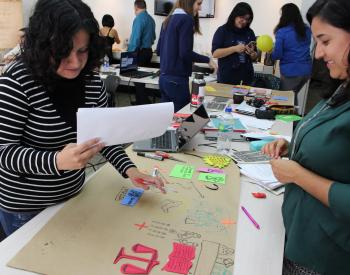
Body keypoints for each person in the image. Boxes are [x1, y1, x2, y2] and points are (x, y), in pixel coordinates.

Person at [0, 0, 165, 238]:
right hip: (26, 209)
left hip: (73, 197)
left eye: (82, 50)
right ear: (43, 46)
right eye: (62, 52)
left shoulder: (91, 82)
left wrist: (129, 169)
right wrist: (56, 161)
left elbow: (104, 137)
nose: (75, 63)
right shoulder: (16, 83)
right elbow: (4, 152)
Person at [262, 0, 350, 274]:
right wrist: (293, 147)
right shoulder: (342, 85)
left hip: (323, 257)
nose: (318, 54)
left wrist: (297, 175)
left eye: (325, 41)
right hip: (298, 237)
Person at [157, 0, 217, 112]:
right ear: (189, 3)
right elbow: (185, 53)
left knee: (168, 120)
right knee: (183, 122)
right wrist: (208, 60)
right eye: (198, 4)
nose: (200, 8)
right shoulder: (186, 20)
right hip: (177, 82)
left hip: (163, 80)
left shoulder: (167, 20)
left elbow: (159, 50)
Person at [271, 3, 312, 106]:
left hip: (291, 72)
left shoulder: (282, 32)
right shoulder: (306, 29)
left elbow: (278, 54)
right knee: (292, 96)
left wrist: (270, 53)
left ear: (284, 16)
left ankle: (288, 122)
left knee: (285, 99)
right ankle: (294, 121)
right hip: (306, 71)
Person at [211, 2, 257, 85]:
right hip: (227, 78)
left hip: (247, 78)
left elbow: (254, 56)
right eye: (242, 18)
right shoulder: (223, 30)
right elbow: (215, 53)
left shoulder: (250, 32)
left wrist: (252, 53)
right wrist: (234, 49)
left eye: (247, 19)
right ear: (235, 15)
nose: (244, 21)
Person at [128, 0, 156, 105]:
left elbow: (135, 40)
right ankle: (141, 100)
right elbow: (153, 38)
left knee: (137, 80)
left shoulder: (138, 19)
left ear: (136, 8)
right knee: (142, 79)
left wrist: (129, 55)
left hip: (140, 52)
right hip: (148, 52)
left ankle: (143, 103)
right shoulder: (151, 19)